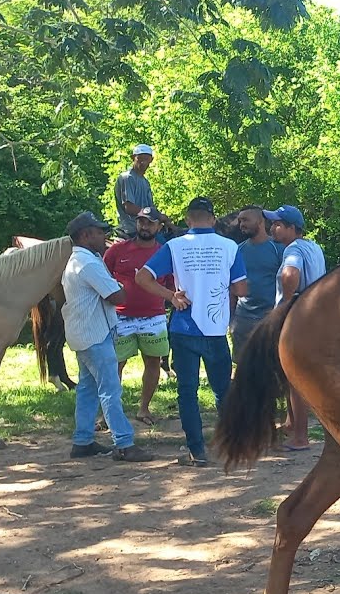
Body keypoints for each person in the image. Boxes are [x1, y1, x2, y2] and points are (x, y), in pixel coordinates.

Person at [136, 196, 248, 466]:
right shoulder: (230, 247)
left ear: (188, 220)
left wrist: (171, 296)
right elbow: (242, 289)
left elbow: (142, 277)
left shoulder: (175, 246)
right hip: (215, 329)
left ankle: (196, 451)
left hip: (184, 327)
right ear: (213, 219)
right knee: (223, 389)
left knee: (187, 391)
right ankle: (231, 444)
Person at [61, 211, 155, 462]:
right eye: (99, 232)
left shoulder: (78, 260)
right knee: (110, 390)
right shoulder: (89, 263)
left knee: (88, 388)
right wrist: (121, 286)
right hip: (95, 334)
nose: (105, 236)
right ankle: (123, 443)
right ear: (85, 235)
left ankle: (83, 441)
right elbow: (117, 297)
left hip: (83, 333)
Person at [103, 206, 173, 426]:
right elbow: (102, 278)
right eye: (141, 221)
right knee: (115, 364)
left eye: (150, 223)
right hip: (120, 317)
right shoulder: (117, 250)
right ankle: (109, 412)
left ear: (159, 227)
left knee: (153, 362)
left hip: (154, 317)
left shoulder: (164, 253)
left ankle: (144, 408)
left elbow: (171, 285)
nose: (145, 226)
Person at [266, 205, 327, 451]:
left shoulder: (293, 249)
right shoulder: (313, 246)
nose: (273, 228)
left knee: (295, 377)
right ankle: (292, 424)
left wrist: (286, 302)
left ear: (292, 228)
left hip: (296, 316)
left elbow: (290, 274)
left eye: (278, 225)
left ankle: (300, 437)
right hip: (315, 314)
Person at [231, 205, 283, 355]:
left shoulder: (278, 248)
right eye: (240, 221)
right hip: (243, 318)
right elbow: (231, 286)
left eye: (246, 220)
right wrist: (231, 319)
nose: (242, 224)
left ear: (260, 221)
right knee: (243, 363)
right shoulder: (237, 250)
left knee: (271, 362)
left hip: (270, 317)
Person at [113, 144, 156, 239]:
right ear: (133, 158)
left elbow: (150, 207)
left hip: (146, 226)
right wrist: (154, 215)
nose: (143, 162)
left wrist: (161, 219)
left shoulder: (145, 182)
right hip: (131, 229)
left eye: (146, 159)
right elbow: (129, 208)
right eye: (140, 159)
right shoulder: (127, 178)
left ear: (151, 160)